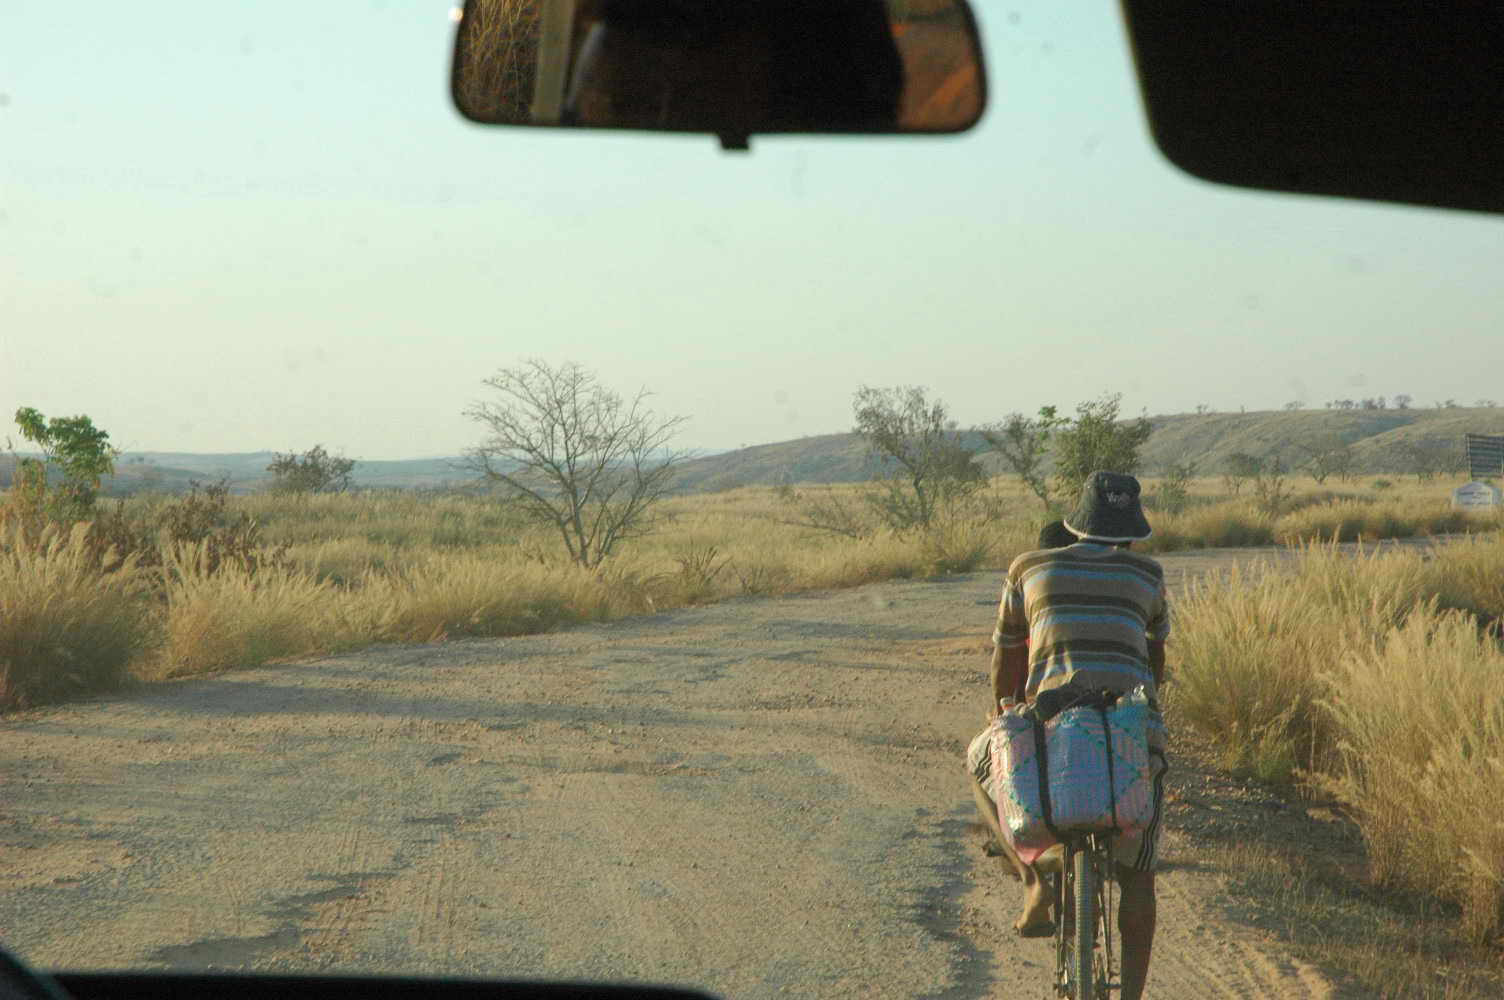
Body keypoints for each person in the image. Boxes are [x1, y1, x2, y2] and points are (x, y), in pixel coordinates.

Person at [977, 472, 1170, 1000]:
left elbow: (1004, 665)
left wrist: (1006, 717)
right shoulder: (1148, 574)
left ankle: (1035, 880)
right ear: (1131, 530)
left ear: (1077, 522)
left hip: (1050, 727)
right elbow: (1154, 664)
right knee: (1139, 876)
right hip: (1127, 733)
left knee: (978, 758)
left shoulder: (1028, 567)